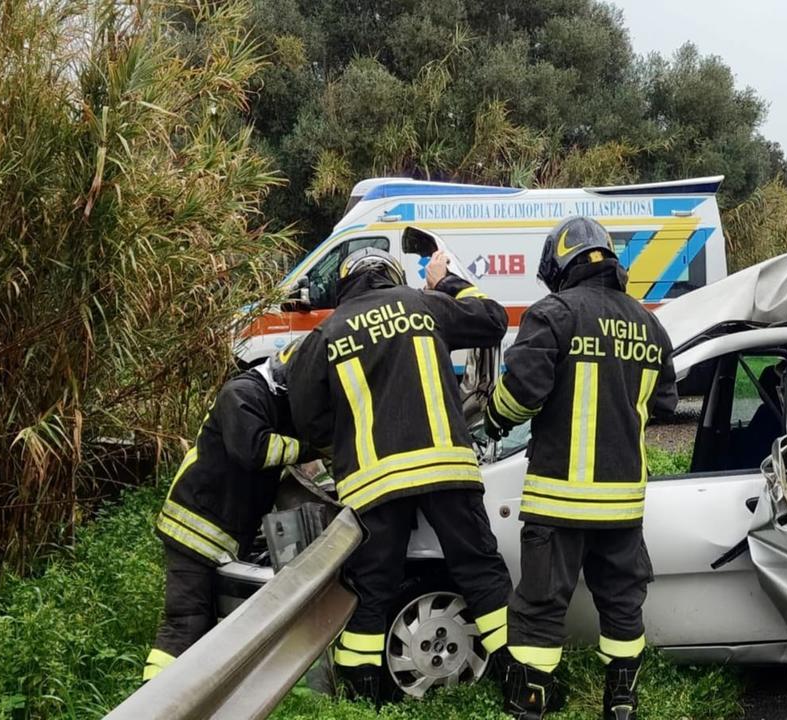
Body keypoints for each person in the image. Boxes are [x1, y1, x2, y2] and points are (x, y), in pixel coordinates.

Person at [286, 247, 513, 705]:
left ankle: (360, 691)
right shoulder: (421, 305)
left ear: (346, 284)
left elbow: (307, 420)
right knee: (479, 569)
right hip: (446, 468)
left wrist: (342, 452)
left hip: (373, 484)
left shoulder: (324, 334)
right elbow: (492, 319)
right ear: (391, 275)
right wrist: (447, 280)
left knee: (372, 584)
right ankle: (518, 674)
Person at [484, 216, 678, 720]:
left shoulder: (553, 313)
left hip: (558, 500)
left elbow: (520, 396)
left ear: (561, 266)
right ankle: (621, 703)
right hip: (622, 505)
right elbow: (667, 403)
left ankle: (530, 702)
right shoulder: (649, 324)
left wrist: (491, 419)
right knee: (622, 605)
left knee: (541, 608)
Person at [143, 347, 310, 681]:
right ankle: (153, 699)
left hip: (215, 528)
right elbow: (255, 450)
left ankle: (190, 697)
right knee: (185, 620)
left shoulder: (267, 400)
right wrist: (310, 447)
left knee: (203, 623)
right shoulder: (242, 394)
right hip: (195, 526)